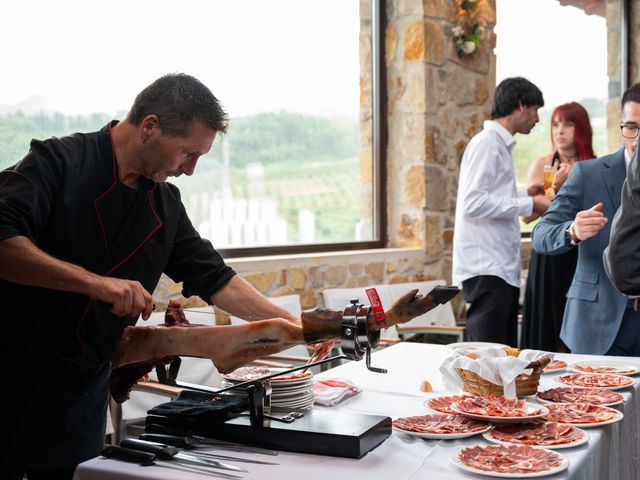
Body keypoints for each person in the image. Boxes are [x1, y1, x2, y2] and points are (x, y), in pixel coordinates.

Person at [0, 73, 323, 480]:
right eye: (187, 154)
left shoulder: (164, 204)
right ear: (150, 126)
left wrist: (299, 328)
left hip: (79, 392)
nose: (189, 170)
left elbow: (216, 278)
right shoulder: (57, 163)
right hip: (10, 375)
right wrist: (98, 284)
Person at [531, 82, 640, 356]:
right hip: (596, 323)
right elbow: (541, 235)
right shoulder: (587, 173)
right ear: (621, 126)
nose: (637, 138)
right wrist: (572, 231)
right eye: (631, 127)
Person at [452, 77, 549, 345]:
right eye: (536, 110)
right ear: (520, 105)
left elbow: (490, 197)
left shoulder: (498, 145)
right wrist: (531, 205)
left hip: (498, 268)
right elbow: (473, 202)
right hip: (487, 268)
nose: (538, 119)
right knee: (487, 355)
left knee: (503, 354)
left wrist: (524, 194)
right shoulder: (487, 144)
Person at [521, 102, 596, 351]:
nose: (560, 131)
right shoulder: (544, 164)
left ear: (581, 128)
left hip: (584, 253)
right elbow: (528, 216)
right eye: (555, 124)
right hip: (550, 253)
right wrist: (558, 187)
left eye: (567, 124)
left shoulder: (595, 166)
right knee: (547, 324)